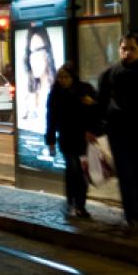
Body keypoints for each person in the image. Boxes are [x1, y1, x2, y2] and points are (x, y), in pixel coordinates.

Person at [97, 31, 138, 234]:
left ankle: (136, 212)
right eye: (124, 48)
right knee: (125, 174)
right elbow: (101, 104)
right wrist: (98, 128)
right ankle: (132, 216)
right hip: (119, 133)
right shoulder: (109, 75)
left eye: (132, 48)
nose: (127, 53)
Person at [45, 62, 98, 218]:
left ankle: (80, 203)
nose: (62, 80)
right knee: (73, 168)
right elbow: (51, 118)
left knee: (80, 171)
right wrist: (50, 140)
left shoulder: (85, 90)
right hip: (66, 138)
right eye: (60, 77)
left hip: (83, 138)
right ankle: (72, 200)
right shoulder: (55, 93)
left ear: (73, 76)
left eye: (66, 77)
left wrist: (92, 104)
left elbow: (97, 111)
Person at [21, 26, 57, 132]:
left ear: (48, 54)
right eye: (30, 52)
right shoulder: (29, 94)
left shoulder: (57, 90)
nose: (33, 58)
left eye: (38, 50)